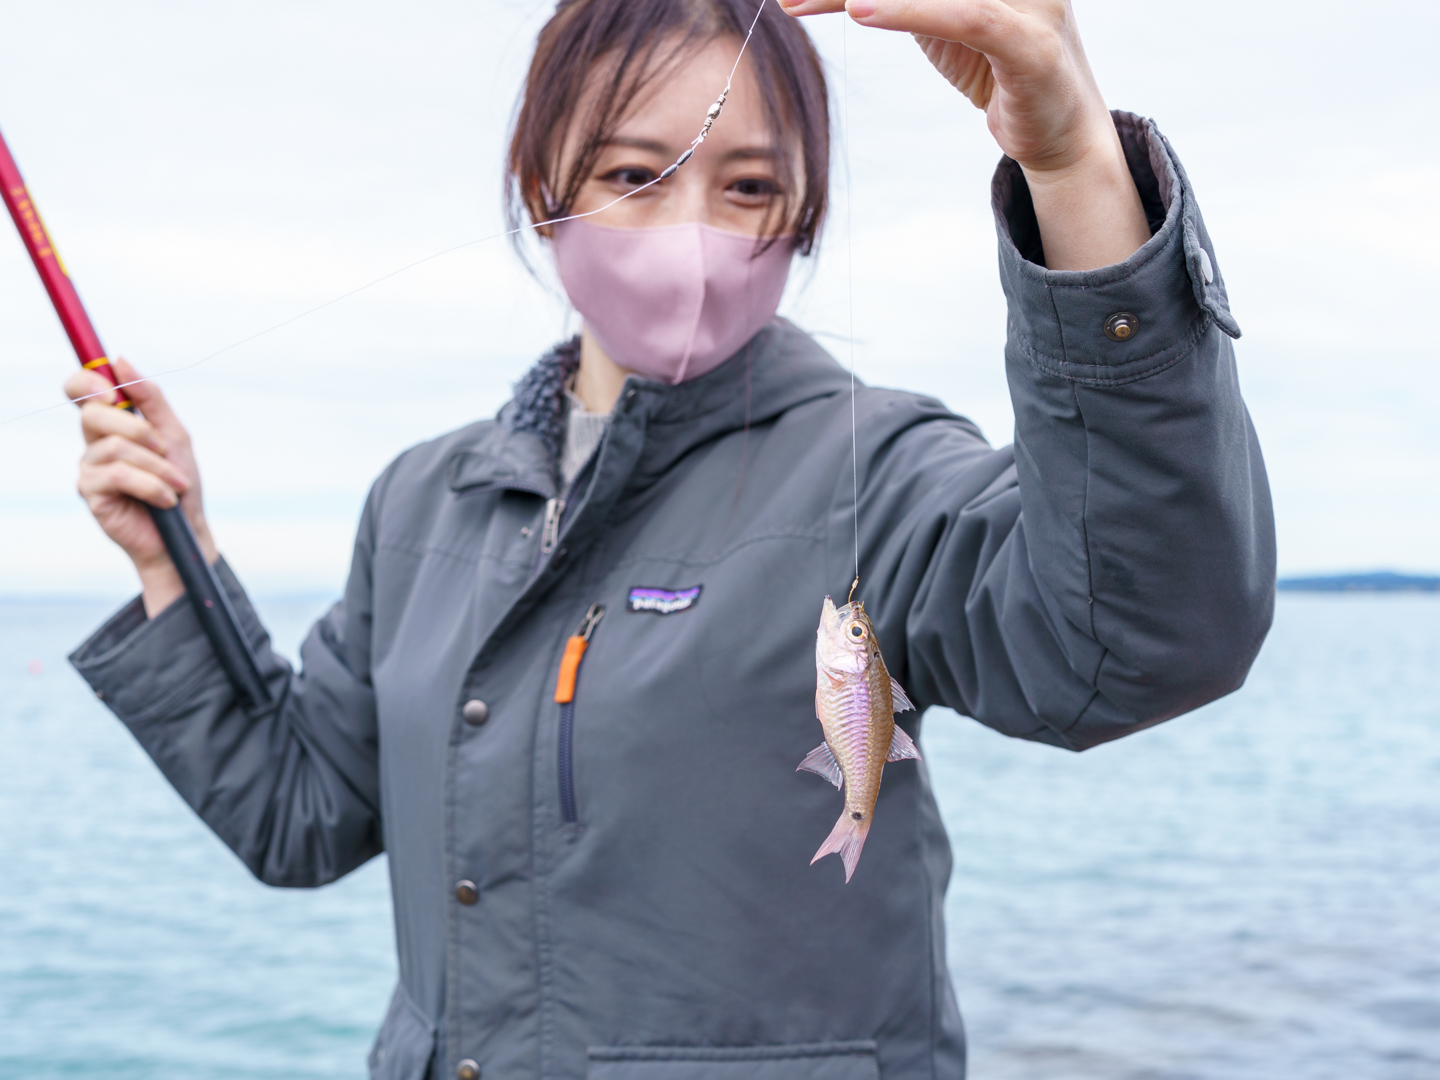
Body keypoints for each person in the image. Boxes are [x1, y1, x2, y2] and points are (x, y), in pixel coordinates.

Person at [64, 0, 1275, 1077]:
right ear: (542, 184)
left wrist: (1071, 160)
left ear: (804, 218)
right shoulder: (420, 500)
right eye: (638, 173)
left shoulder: (884, 471)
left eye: (747, 187)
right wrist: (179, 563)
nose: (693, 231)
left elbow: (1148, 633)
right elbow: (301, 814)